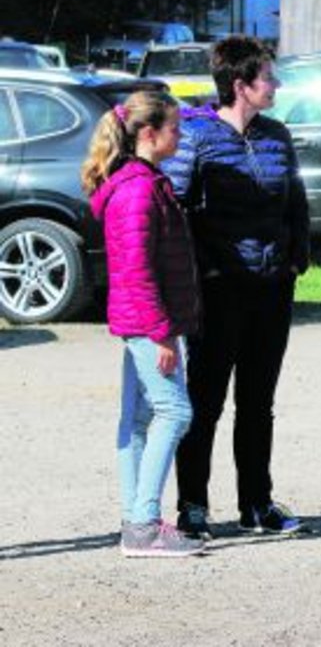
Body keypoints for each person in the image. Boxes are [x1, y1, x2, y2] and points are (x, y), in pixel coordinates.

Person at [163, 36, 310, 539]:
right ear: (241, 85)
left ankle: (257, 504)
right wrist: (206, 270)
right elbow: (178, 211)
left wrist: (296, 259)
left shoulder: (277, 135)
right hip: (219, 292)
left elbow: (296, 202)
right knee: (205, 403)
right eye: (268, 77)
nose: (277, 84)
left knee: (257, 403)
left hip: (272, 289)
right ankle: (193, 506)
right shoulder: (196, 137)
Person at [83, 90, 205, 558]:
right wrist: (161, 333)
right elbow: (137, 271)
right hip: (147, 323)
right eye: (175, 128)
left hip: (142, 320)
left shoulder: (144, 182)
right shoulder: (137, 190)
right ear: (149, 134)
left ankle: (135, 519)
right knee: (175, 412)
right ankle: (144, 524)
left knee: (138, 419)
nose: (181, 135)